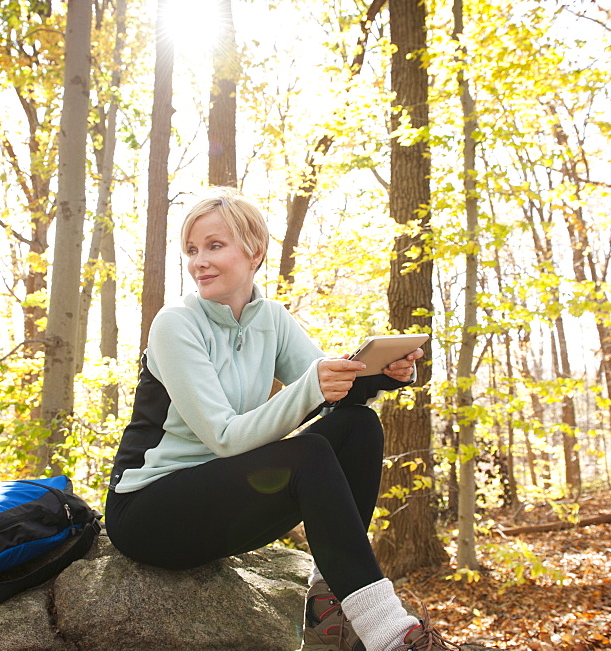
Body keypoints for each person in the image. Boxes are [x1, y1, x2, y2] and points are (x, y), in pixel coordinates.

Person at [106, 187, 460, 651]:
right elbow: (227, 439)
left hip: (221, 499)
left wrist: (388, 375)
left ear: (254, 252)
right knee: (309, 452)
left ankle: (329, 603)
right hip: (149, 511)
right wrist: (314, 385)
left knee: (357, 426)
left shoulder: (271, 318)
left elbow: (335, 393)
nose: (199, 262)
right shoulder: (176, 323)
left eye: (215, 246)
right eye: (192, 250)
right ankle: (390, 635)